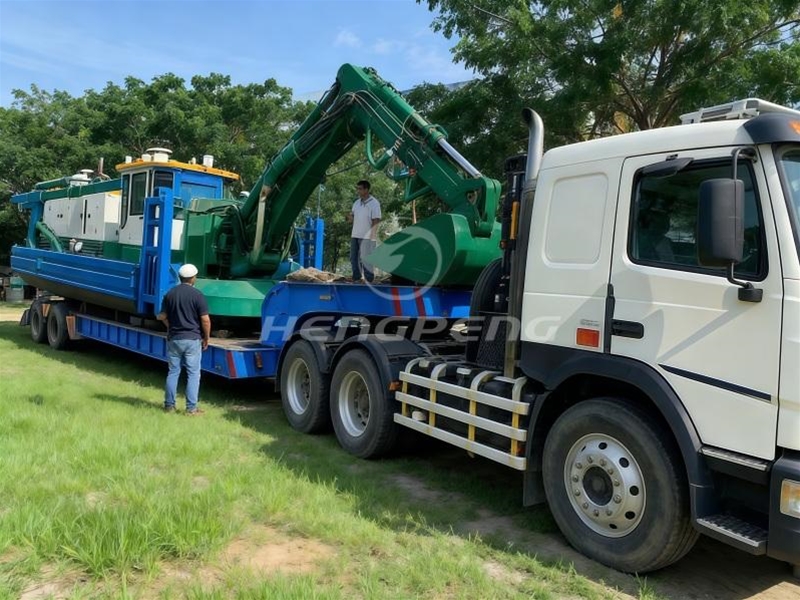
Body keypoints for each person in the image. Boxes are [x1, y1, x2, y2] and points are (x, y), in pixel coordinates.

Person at [157, 263, 211, 415]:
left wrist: (170, 326)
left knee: (173, 372)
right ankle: (191, 409)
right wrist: (206, 338)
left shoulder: (170, 294)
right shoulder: (198, 295)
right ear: (193, 278)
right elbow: (205, 320)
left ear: (180, 278)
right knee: (193, 374)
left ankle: (169, 406)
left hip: (174, 338)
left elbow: (161, 316)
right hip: (192, 339)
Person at [347, 180, 381, 282]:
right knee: (353, 258)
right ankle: (356, 278)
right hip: (355, 234)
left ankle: (369, 279)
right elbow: (352, 219)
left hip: (367, 236)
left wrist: (373, 235)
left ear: (366, 189)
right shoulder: (356, 203)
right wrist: (348, 217)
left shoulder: (374, 203)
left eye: (360, 189)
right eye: (357, 188)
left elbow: (376, 220)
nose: (358, 191)